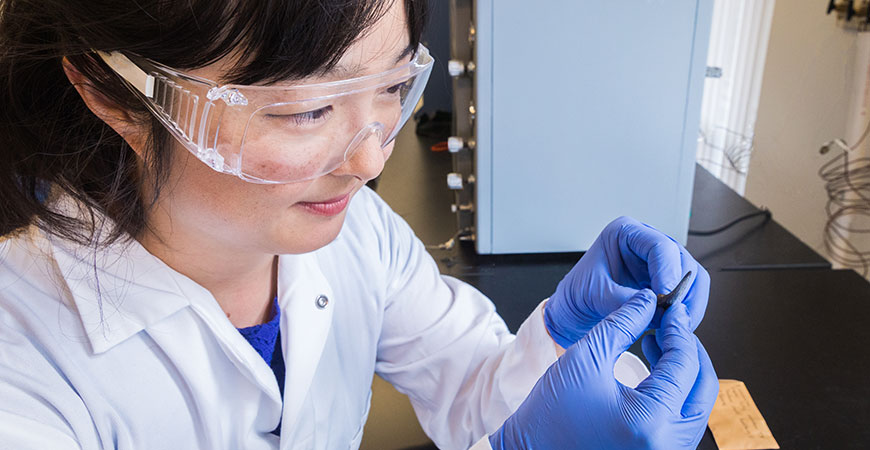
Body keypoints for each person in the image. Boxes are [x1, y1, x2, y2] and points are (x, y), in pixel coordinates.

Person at [0, 0, 717, 448]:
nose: (372, 159)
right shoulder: (22, 366)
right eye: (306, 110)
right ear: (111, 92)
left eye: (393, 88)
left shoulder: (357, 235)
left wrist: (562, 337)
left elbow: (472, 390)